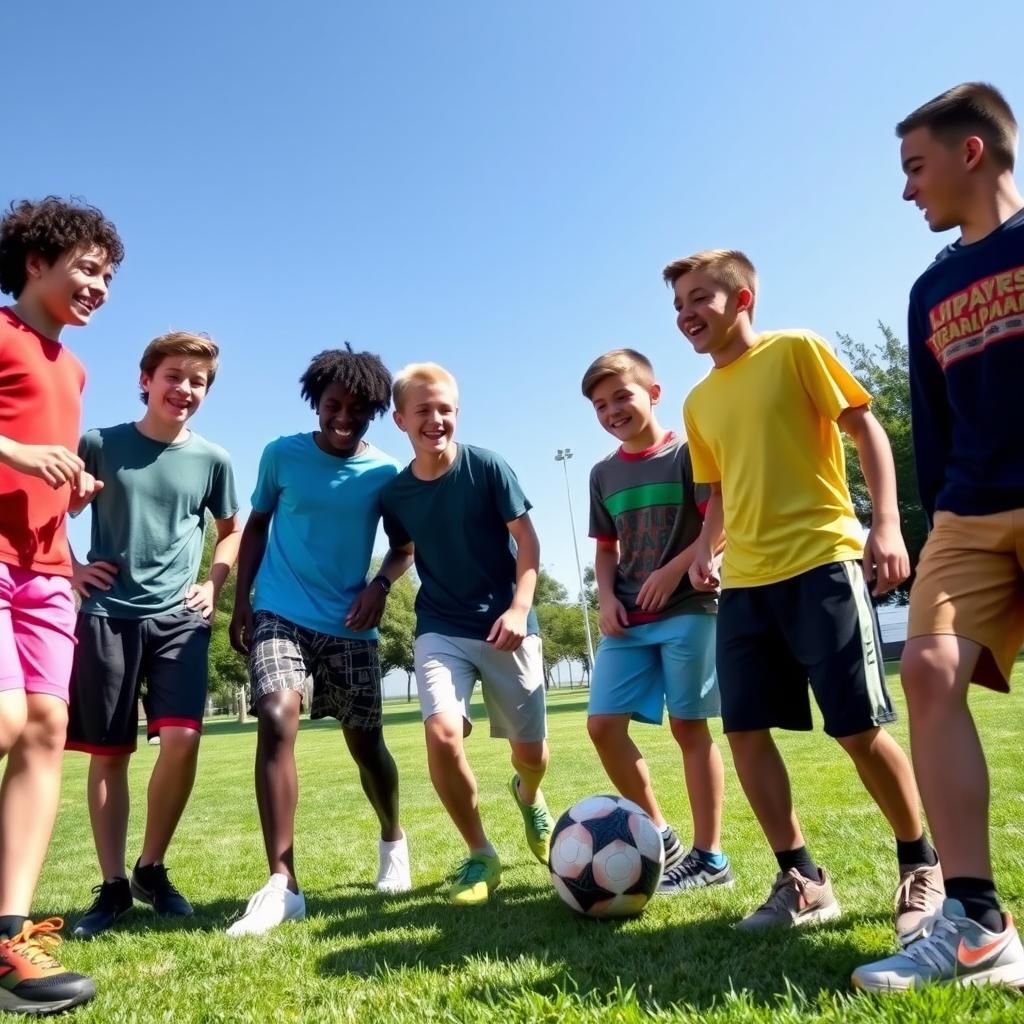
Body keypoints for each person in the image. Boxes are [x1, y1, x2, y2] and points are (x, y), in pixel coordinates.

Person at [666, 248, 943, 937]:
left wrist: (884, 524)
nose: (686, 314)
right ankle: (803, 878)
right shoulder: (697, 401)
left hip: (822, 561)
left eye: (700, 298)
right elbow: (721, 491)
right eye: (677, 305)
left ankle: (922, 864)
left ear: (743, 298)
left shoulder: (797, 350)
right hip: (747, 586)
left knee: (855, 727)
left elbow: (864, 428)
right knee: (745, 730)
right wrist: (706, 549)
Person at [854, 82, 1024, 991]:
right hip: (966, 508)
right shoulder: (930, 289)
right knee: (924, 669)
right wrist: (927, 521)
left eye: (916, 167)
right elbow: (933, 417)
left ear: (972, 154)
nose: (907, 189)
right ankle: (974, 921)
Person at [227, 347, 413, 937]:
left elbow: (405, 547)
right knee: (278, 716)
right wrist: (242, 602)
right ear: (316, 402)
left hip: (349, 624)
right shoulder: (281, 454)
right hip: (279, 610)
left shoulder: (385, 473)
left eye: (358, 409)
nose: (343, 417)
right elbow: (256, 525)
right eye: (334, 405)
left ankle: (392, 837)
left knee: (368, 747)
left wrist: (380, 587)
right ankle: (283, 883)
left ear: (374, 412)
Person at [67, 332, 240, 939]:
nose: (184, 390)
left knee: (183, 741)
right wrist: (70, 567)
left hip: (178, 619)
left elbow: (231, 530)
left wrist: (213, 584)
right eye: (173, 376)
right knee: (110, 755)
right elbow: (43, 508)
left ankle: (151, 868)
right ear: (146, 379)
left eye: (197, 381)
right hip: (106, 615)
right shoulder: (100, 444)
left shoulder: (213, 459)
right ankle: (113, 887)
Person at [0, 196, 123, 1015]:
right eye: (87, 266)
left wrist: (68, 492)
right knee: (6, 720)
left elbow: (39, 466)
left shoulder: (72, 368)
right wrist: (16, 449)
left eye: (109, 275)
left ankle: (9, 937)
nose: (100, 285)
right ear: (35, 262)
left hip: (47, 571)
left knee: (45, 729)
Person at [380, 362, 552, 906]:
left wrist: (521, 609)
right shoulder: (397, 494)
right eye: (424, 410)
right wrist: (380, 585)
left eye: (445, 409)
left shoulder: (488, 467)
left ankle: (529, 795)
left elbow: (528, 542)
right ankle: (481, 854)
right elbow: (404, 550)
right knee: (442, 734)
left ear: (458, 413)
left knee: (533, 753)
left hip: (508, 624)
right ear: (400, 418)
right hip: (441, 627)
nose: (436, 419)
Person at [581, 348, 730, 893]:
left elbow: (721, 520)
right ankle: (662, 835)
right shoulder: (601, 473)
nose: (613, 409)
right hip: (628, 618)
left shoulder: (690, 454)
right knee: (601, 725)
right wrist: (605, 597)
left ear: (654, 393)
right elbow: (604, 549)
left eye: (622, 395)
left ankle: (711, 858)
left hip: (688, 609)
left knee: (688, 727)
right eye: (601, 404)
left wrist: (677, 570)